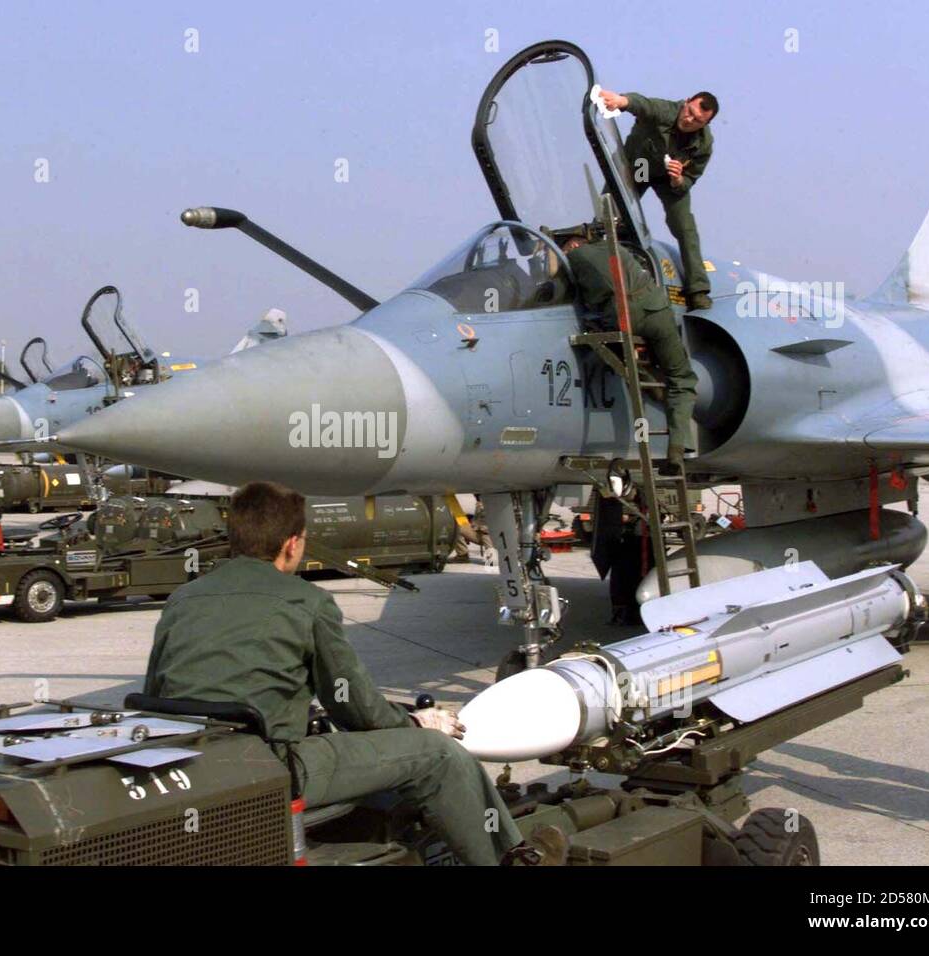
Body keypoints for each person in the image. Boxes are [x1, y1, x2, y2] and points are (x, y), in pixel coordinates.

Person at [144, 480, 564, 865]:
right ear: (292, 545)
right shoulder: (306, 602)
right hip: (271, 769)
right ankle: (506, 858)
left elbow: (155, 694)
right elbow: (355, 709)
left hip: (195, 767)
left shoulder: (182, 599)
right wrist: (416, 722)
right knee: (439, 757)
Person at [561, 232, 698, 473]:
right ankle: (678, 447)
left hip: (620, 318)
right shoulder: (617, 249)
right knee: (681, 378)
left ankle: (648, 381)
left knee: (623, 358)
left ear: (572, 246)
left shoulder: (574, 258)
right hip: (655, 311)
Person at [597, 89, 719, 312]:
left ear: (705, 125)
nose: (689, 120)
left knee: (685, 228)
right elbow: (643, 104)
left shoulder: (704, 144)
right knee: (609, 214)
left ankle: (698, 290)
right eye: (689, 112)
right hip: (641, 166)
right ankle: (592, 262)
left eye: (697, 121)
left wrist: (678, 179)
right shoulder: (666, 111)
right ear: (686, 101)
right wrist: (620, 101)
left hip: (669, 178)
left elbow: (691, 178)